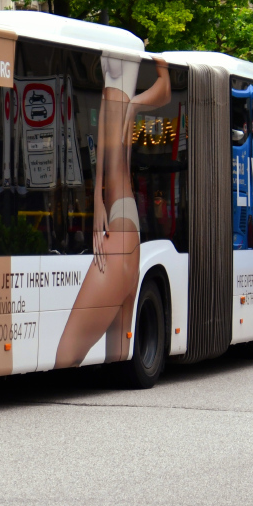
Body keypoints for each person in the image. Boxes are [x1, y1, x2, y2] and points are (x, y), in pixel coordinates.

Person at [56, 57, 171, 368]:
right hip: (117, 212)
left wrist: (135, 104)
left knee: (66, 351)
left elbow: (166, 86)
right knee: (115, 357)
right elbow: (105, 116)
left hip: (121, 221)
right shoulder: (110, 53)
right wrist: (96, 198)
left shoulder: (133, 47)